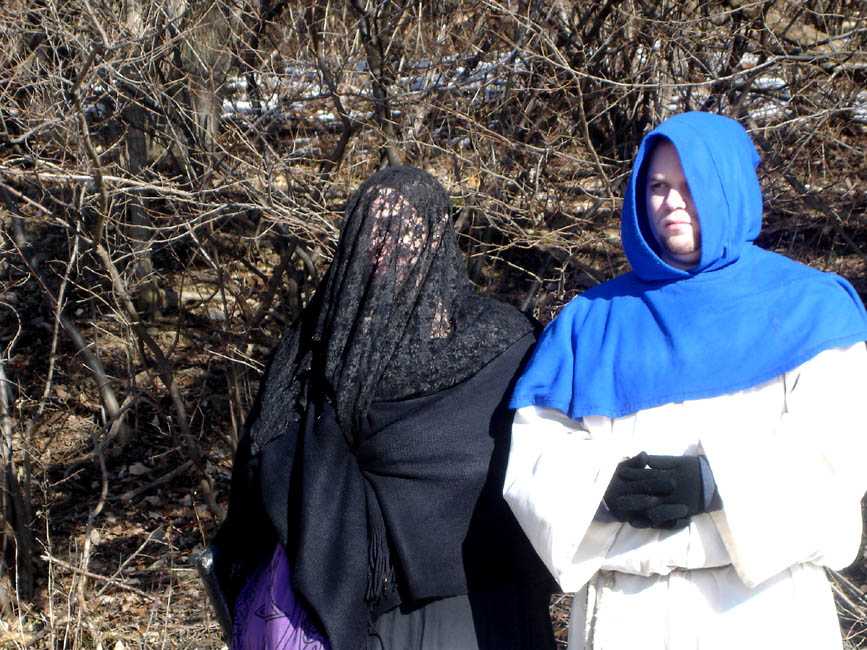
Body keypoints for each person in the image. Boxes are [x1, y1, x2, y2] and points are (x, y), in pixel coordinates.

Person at [503, 112, 867, 649]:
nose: (672, 201)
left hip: (764, 614)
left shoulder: (807, 308)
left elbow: (836, 463)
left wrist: (716, 485)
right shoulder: (591, 322)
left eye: (691, 184)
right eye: (657, 186)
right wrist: (601, 494)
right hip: (629, 615)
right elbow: (536, 458)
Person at [212, 166, 556, 650]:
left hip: (486, 603)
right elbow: (268, 467)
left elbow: (540, 459)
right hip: (360, 608)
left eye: (406, 229)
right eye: (374, 227)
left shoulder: (501, 343)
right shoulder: (316, 345)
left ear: (437, 238)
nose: (387, 245)